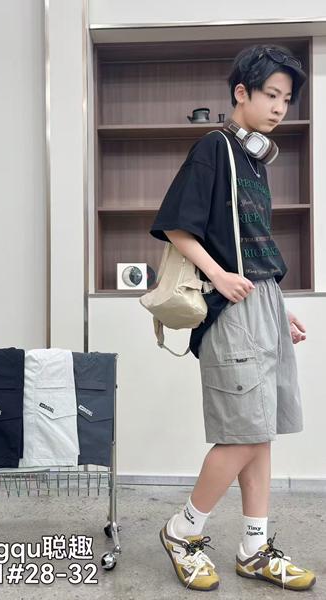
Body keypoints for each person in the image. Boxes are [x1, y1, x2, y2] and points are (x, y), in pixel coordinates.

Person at [150, 44, 316, 592]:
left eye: (287, 99)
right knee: (243, 433)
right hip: (231, 308)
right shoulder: (214, 148)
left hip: (261, 301)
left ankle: (253, 547)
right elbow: (176, 224)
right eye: (271, 95)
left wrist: (276, 306)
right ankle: (183, 531)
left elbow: (254, 244)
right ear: (241, 93)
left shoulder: (254, 160)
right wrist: (219, 276)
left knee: (260, 432)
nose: (279, 107)